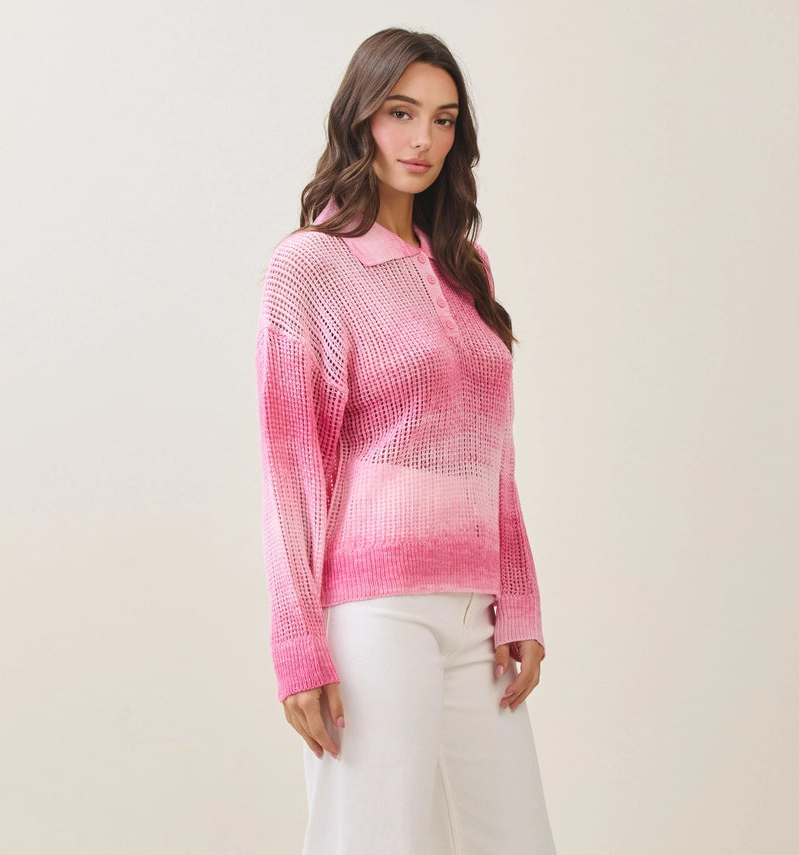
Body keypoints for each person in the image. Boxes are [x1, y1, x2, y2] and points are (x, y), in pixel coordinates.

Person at [255, 27, 557, 855]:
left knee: (515, 838)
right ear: (360, 118)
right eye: (400, 112)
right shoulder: (310, 267)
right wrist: (297, 649)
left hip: (476, 613)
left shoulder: (467, 269)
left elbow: (492, 457)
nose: (422, 138)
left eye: (443, 118)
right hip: (373, 611)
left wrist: (518, 597)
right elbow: (290, 473)